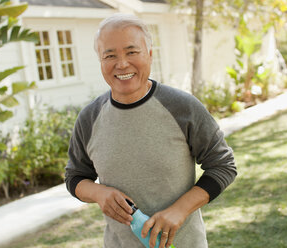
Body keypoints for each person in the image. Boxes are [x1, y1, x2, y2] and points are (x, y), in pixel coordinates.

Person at [65, 13, 237, 248]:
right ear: (100, 61)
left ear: (150, 54)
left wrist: (180, 210)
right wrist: (99, 193)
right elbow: (75, 177)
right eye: (110, 55)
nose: (122, 63)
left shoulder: (183, 107)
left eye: (131, 52)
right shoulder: (89, 118)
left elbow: (223, 165)